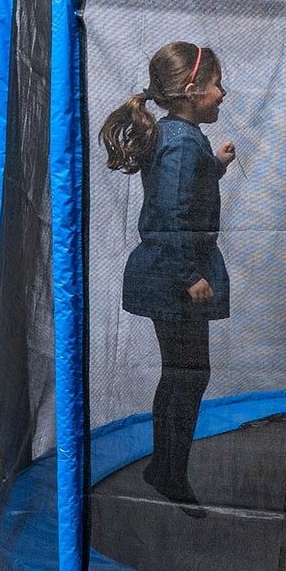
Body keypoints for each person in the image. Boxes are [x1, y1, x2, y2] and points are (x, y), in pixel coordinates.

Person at [98, 41, 235, 517]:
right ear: (192, 90)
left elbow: (182, 188)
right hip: (173, 277)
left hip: (170, 273)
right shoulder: (179, 141)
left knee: (183, 373)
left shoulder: (179, 136)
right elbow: (169, 214)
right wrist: (189, 275)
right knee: (187, 374)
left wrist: (215, 164)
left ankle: (167, 466)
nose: (222, 93)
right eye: (216, 84)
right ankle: (168, 472)